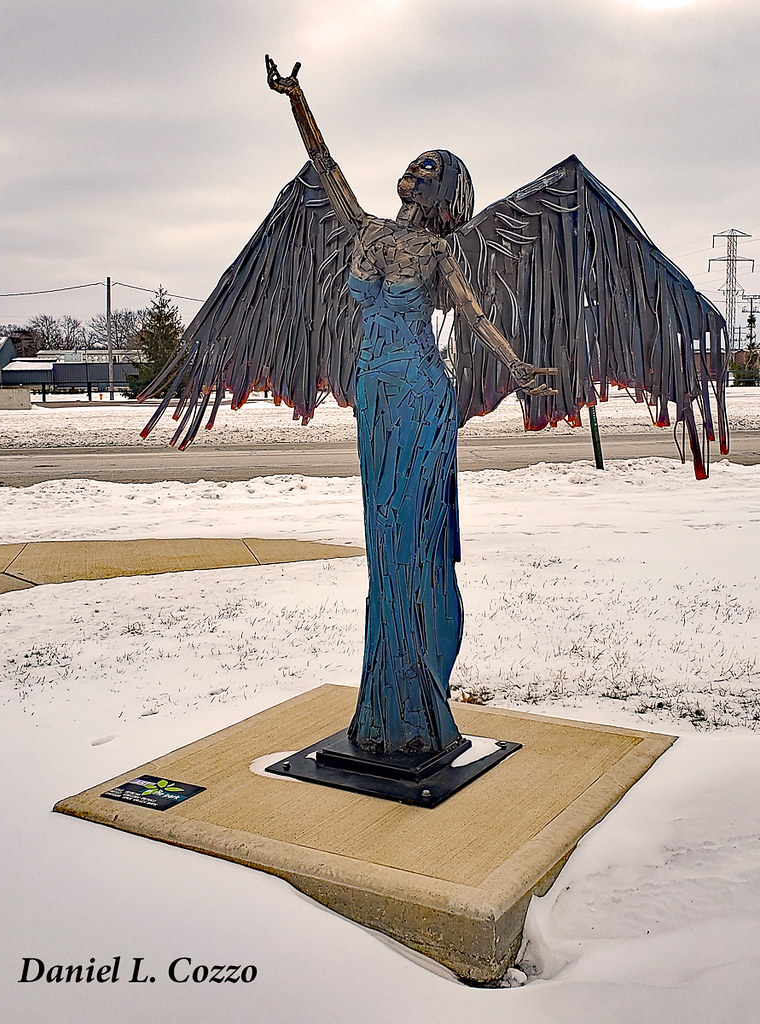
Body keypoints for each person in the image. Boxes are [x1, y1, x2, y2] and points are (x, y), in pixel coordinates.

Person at [264, 57, 551, 756]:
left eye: (428, 169)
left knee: (409, 536)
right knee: (383, 538)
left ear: (442, 189)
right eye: (413, 163)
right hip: (374, 391)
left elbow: (473, 315)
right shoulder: (365, 230)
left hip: (421, 394)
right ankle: (385, 706)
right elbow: (324, 164)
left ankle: (415, 702)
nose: (413, 173)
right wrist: (297, 97)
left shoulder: (436, 252)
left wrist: (516, 367)